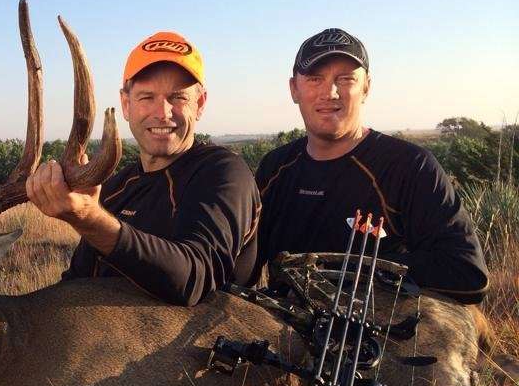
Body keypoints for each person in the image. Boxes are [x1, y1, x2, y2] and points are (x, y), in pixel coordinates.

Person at [254, 28, 488, 304]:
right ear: (294, 89)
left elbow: (468, 274)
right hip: (281, 328)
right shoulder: (275, 168)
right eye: (315, 79)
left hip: (374, 335)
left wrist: (348, 272)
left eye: (345, 79)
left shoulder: (410, 167)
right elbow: (246, 263)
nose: (329, 92)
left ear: (366, 87)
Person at [26, 31, 260, 306]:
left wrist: (89, 219)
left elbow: (194, 279)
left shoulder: (223, 173)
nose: (162, 112)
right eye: (146, 97)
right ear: (126, 105)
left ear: (200, 104)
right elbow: (77, 282)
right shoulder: (115, 189)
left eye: (178, 97)